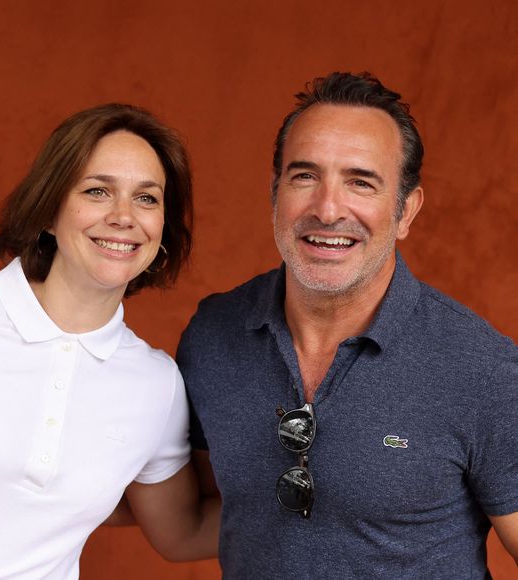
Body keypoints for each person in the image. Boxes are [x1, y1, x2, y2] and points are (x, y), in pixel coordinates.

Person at [177, 72, 518, 578]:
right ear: (275, 195)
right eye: (304, 176)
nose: (328, 208)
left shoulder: (482, 369)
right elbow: (200, 520)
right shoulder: (212, 335)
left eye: (361, 181)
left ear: (406, 211)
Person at [0, 103, 219, 578]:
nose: (124, 216)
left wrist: (341, 504)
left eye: (147, 199)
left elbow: (182, 533)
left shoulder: (154, 384)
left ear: (162, 230)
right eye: (97, 191)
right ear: (49, 210)